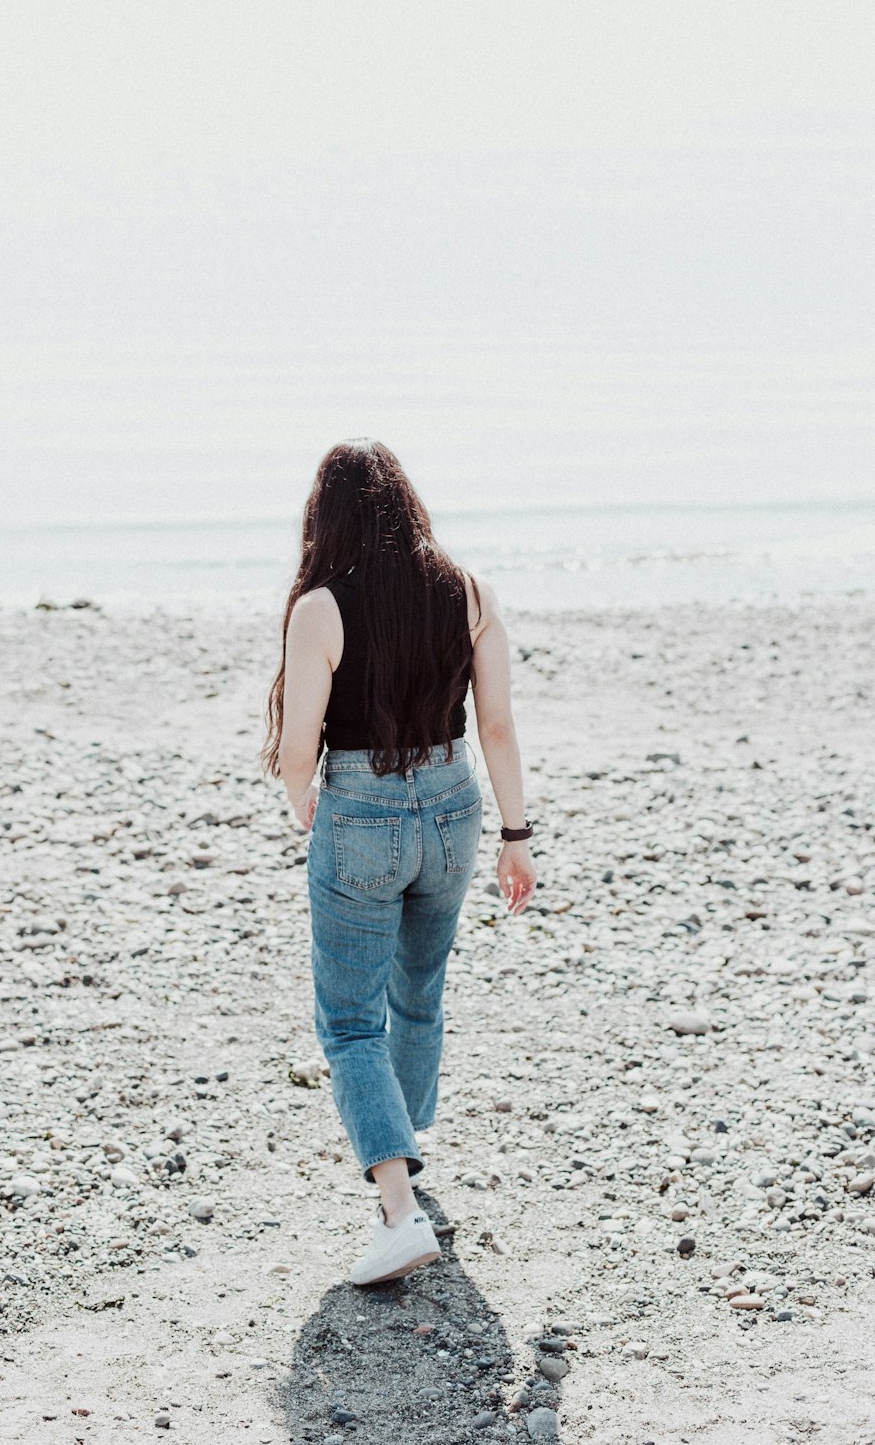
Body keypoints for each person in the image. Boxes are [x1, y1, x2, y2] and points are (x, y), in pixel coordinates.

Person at [260, 440, 537, 1285]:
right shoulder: (471, 592)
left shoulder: (320, 607)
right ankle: (403, 1147)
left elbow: (298, 740)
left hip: (362, 808)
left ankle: (398, 1205)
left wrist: (305, 802)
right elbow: (495, 726)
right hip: (455, 805)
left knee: (348, 1021)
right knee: (419, 993)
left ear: (328, 515)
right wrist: (517, 837)